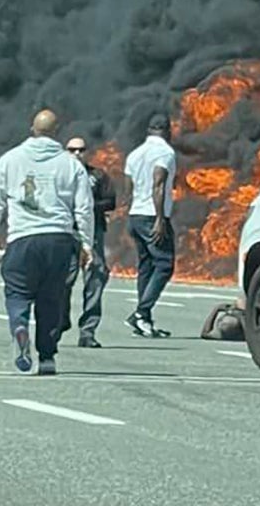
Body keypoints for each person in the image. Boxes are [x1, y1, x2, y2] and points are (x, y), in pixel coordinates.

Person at [0, 109, 93, 375]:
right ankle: (47, 357)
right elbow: (84, 208)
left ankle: (20, 326)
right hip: (59, 239)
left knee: (18, 292)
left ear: (32, 129)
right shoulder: (71, 164)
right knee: (51, 299)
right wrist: (87, 244)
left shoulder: (10, 160)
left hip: (23, 237)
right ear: (57, 132)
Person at [123, 111, 178, 338]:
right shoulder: (164, 152)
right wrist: (159, 219)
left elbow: (128, 187)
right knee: (165, 264)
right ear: (168, 130)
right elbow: (158, 184)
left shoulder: (134, 154)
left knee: (146, 265)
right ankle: (141, 311)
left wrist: (130, 211)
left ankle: (143, 320)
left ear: (148, 130)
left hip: (136, 214)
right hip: (151, 216)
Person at [62, 136, 117, 347]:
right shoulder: (59, 175)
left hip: (93, 234)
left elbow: (110, 201)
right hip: (66, 233)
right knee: (63, 281)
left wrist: (86, 206)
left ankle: (88, 331)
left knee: (95, 279)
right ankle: (61, 319)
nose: (77, 154)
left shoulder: (97, 176)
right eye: (72, 150)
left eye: (81, 150)